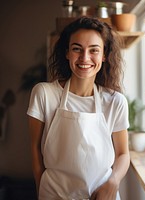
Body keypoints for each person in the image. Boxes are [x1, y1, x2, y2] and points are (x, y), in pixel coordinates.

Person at [27, 16, 130, 200]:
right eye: (77, 49)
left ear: (104, 55)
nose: (85, 58)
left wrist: (113, 182)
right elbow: (35, 150)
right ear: (67, 52)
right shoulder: (44, 93)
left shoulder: (115, 101)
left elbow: (123, 154)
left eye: (94, 50)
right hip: (54, 195)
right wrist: (40, 190)